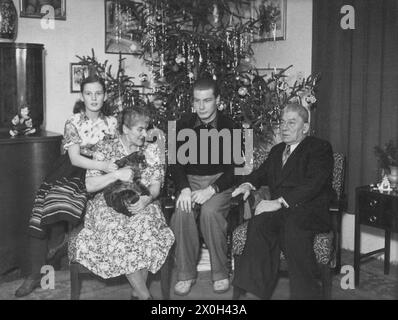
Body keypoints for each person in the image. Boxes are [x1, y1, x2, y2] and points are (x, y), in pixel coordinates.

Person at [15, 75, 118, 297]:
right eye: (89, 93)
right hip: (74, 168)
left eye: (98, 93)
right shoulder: (73, 121)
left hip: (100, 172)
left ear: (105, 96)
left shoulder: (112, 122)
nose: (94, 98)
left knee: (95, 202)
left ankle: (64, 244)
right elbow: (75, 159)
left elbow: (116, 151)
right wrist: (104, 165)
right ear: (82, 96)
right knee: (43, 204)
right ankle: (35, 273)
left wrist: (109, 168)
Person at [232, 103, 334, 300]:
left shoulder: (319, 148)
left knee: (293, 230)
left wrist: (279, 201)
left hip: (309, 210)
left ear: (305, 128)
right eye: (282, 122)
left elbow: (314, 185)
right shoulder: (278, 150)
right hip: (283, 211)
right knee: (259, 223)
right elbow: (260, 174)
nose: (284, 127)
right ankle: (255, 292)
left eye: (291, 123)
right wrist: (248, 185)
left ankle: (306, 296)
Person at [71, 106, 174, 300]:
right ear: (125, 129)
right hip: (107, 203)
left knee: (145, 228)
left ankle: (138, 293)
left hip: (142, 199)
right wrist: (116, 174)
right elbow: (90, 185)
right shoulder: (105, 147)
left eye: (146, 128)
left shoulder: (152, 149)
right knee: (118, 231)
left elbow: (155, 186)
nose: (145, 134)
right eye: (140, 129)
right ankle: (145, 296)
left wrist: (147, 199)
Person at [170, 77, 237, 296]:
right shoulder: (182, 125)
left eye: (207, 100)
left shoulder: (230, 126)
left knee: (209, 212)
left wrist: (211, 190)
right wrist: (184, 188)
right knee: (182, 212)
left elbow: (232, 170)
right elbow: (175, 163)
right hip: (190, 182)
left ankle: (220, 273)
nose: (201, 106)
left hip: (218, 183)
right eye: (197, 101)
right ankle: (185, 274)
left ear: (217, 100)